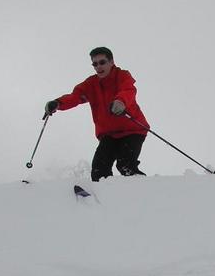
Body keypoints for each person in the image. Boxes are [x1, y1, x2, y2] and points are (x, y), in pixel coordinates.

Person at [44, 47, 149, 182]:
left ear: (111, 62)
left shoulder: (122, 76)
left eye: (102, 62)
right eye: (95, 64)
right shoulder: (91, 84)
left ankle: (143, 190)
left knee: (125, 165)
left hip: (132, 130)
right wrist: (58, 103)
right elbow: (75, 97)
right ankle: (106, 198)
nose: (98, 66)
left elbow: (128, 90)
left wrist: (120, 102)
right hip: (109, 134)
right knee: (99, 170)